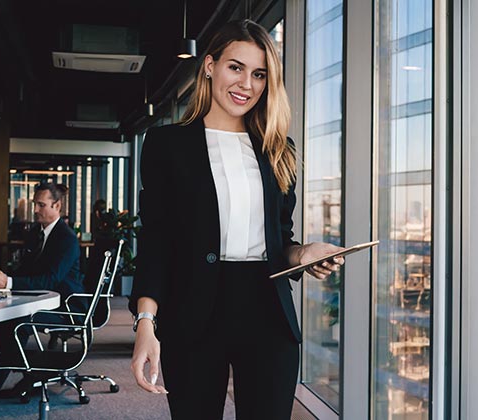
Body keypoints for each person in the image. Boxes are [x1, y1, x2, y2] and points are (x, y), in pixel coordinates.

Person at [129, 19, 344, 420]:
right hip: (193, 310)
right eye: (236, 67)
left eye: (259, 74)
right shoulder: (167, 145)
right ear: (209, 65)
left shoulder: (279, 150)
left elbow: (281, 237)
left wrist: (303, 254)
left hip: (267, 310)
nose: (247, 83)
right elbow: (156, 240)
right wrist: (146, 322)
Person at [0, 183, 84, 418]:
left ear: (57, 206)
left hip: (67, 307)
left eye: (41, 205)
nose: (35, 209)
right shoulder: (37, 234)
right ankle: (33, 374)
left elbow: (50, 279)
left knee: (20, 324)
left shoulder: (66, 239)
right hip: (44, 301)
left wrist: (9, 283)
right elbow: (26, 270)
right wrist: (4, 273)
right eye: (35, 203)